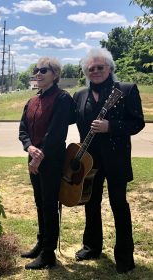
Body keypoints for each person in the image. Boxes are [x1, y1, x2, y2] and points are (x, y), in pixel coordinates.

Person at [73, 48, 144, 274]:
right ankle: (92, 246)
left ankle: (124, 257)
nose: (95, 71)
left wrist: (110, 126)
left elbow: (137, 123)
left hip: (116, 159)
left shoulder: (126, 90)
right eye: (90, 68)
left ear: (110, 68)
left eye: (99, 67)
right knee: (90, 204)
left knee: (118, 205)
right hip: (89, 161)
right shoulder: (80, 95)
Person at [18, 57, 75, 269]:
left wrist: (39, 155)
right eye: (36, 70)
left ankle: (48, 254)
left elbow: (57, 131)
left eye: (44, 70)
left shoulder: (62, 98)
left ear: (55, 75)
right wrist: (29, 147)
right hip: (34, 157)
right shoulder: (32, 100)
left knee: (50, 204)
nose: (38, 73)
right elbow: (23, 128)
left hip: (51, 159)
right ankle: (41, 243)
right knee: (39, 202)